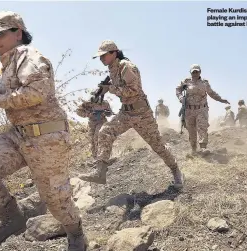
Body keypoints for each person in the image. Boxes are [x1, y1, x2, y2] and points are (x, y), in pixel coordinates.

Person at [0, 11, 87, 251]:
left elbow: (38, 91)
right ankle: (11, 219)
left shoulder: (29, 57)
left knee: (56, 200)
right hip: (18, 136)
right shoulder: (5, 64)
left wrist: (0, 101)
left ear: (17, 33)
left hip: (47, 138)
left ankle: (76, 234)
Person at [79, 40, 184, 188]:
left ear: (114, 53)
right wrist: (104, 89)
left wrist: (110, 89)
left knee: (158, 146)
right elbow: (119, 91)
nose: (101, 59)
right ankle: (100, 173)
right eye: (100, 57)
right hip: (126, 113)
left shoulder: (126, 67)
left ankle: (176, 170)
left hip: (141, 113)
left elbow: (133, 90)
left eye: (104, 55)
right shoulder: (112, 69)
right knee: (105, 131)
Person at [176, 64, 230, 155]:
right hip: (189, 110)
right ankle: (193, 149)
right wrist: (181, 98)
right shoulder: (186, 82)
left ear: (200, 72)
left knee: (202, 127)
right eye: (193, 72)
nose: (195, 73)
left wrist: (221, 99)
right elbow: (178, 90)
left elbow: (212, 93)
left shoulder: (204, 83)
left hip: (201, 109)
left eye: (197, 71)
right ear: (190, 72)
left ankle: (203, 148)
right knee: (191, 130)